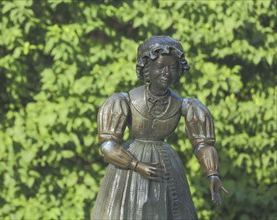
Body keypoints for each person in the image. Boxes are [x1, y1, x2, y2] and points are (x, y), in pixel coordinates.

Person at [91, 36, 228, 220]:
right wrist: (136, 165)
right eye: (161, 67)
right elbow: (107, 147)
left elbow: (203, 143)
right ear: (147, 69)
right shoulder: (124, 101)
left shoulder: (185, 105)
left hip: (166, 167)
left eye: (172, 67)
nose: (166, 73)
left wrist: (212, 173)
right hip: (128, 167)